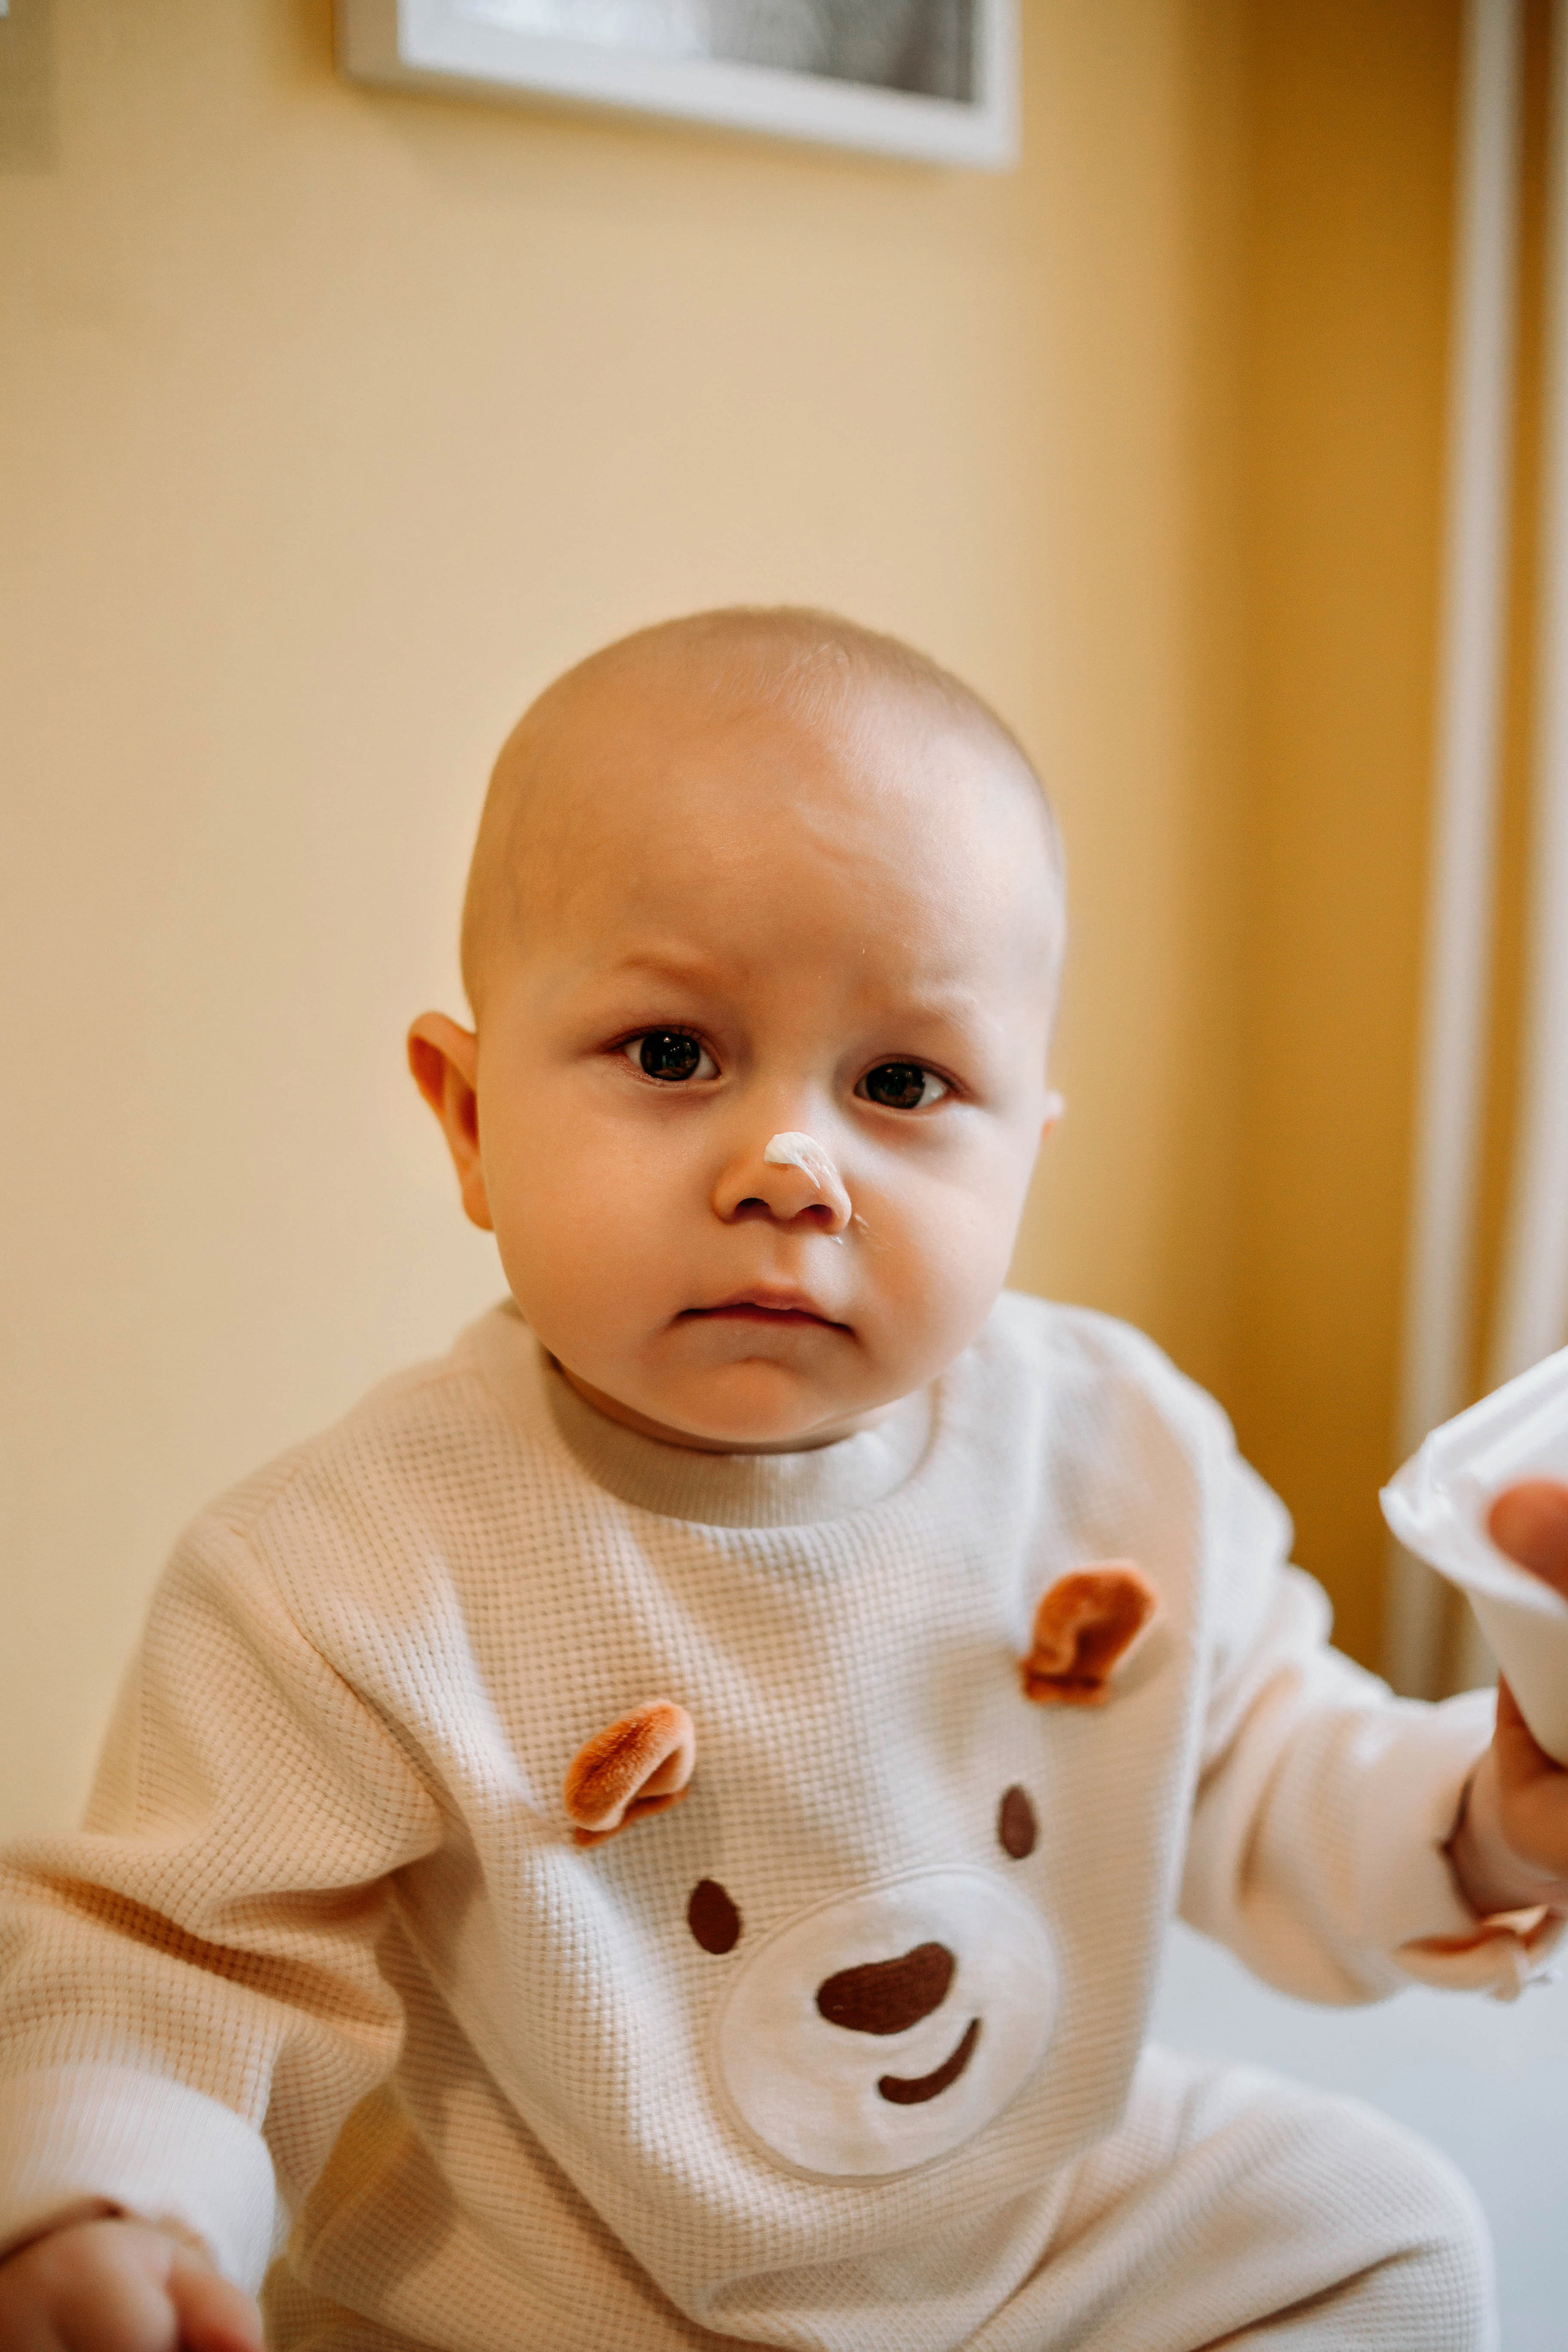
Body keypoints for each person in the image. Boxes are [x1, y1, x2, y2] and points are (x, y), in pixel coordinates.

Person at [2, 606, 1566, 2352]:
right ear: (464, 1118)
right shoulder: (343, 1572)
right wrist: (109, 2204)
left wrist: (1490, 1818)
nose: (793, 1167)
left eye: (903, 1081)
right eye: (675, 1054)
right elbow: (176, 1965)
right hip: (557, 2296)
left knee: (1384, 2236)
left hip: (1023, 2234)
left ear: (1023, 1153)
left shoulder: (1113, 1448)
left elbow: (1267, 1775)